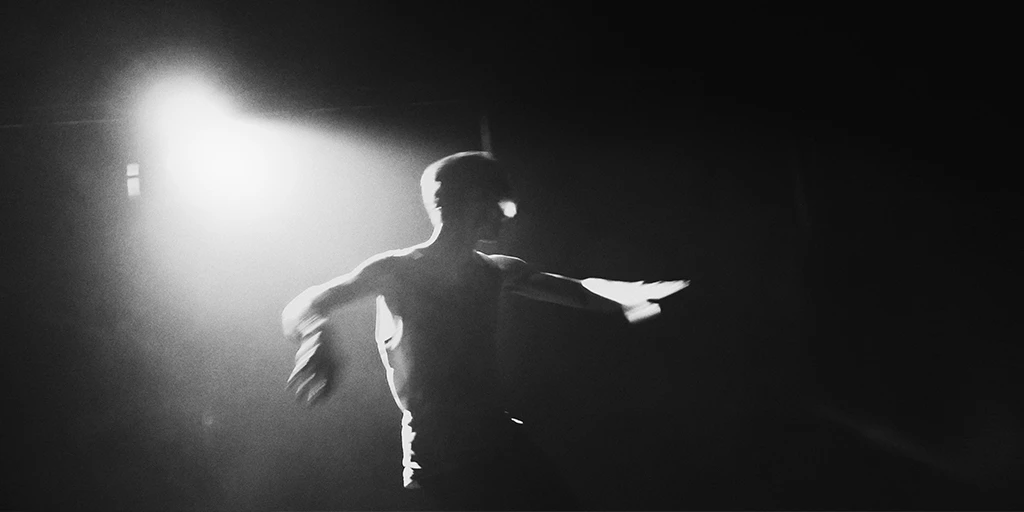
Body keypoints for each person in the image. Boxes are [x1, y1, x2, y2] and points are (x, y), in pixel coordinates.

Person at [281, 151, 687, 510]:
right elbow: (306, 303)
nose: (506, 212)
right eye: (498, 200)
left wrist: (637, 296)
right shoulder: (398, 270)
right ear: (466, 201)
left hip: (496, 440)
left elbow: (580, 291)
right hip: (446, 455)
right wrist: (317, 334)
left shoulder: (495, 270)